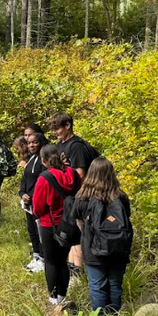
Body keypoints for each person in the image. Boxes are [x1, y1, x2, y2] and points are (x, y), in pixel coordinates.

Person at [71, 157, 133, 314]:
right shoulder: (121, 196)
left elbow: (79, 222)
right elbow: (126, 219)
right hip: (119, 247)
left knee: (97, 285)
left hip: (93, 247)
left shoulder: (82, 196)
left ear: (91, 173)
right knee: (114, 284)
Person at [48, 112, 101, 272]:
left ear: (68, 125)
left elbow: (80, 174)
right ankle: (72, 267)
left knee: (79, 232)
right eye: (53, 129)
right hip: (68, 197)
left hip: (81, 195)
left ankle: (79, 269)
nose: (55, 132)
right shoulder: (60, 145)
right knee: (70, 231)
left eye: (57, 128)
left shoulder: (76, 145)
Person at [33, 144, 81, 305]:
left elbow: (38, 208)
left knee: (51, 262)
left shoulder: (44, 178)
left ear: (44, 160)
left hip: (50, 224)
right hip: (70, 224)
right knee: (63, 261)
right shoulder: (73, 174)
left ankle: (53, 298)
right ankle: (62, 294)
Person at [19, 132, 49, 273]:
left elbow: (42, 182)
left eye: (35, 142)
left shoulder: (44, 161)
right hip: (28, 202)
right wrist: (22, 193)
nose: (31, 145)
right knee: (32, 230)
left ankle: (43, 259)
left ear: (41, 143)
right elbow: (25, 179)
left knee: (40, 231)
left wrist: (33, 196)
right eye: (29, 143)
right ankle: (36, 255)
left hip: (38, 202)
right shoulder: (31, 159)